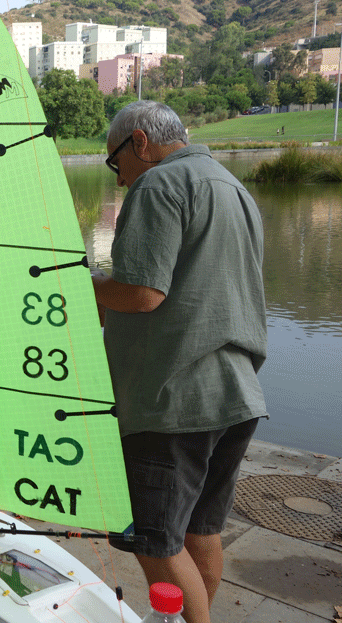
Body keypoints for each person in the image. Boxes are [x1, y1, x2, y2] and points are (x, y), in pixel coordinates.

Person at [91, 100, 267, 623]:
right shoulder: (233, 188)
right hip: (236, 395)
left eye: (116, 161)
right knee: (201, 531)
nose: (119, 178)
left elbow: (142, 293)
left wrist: (82, 284)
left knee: (157, 542)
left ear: (140, 142)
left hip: (173, 401)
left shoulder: (158, 185)